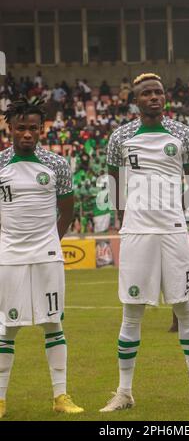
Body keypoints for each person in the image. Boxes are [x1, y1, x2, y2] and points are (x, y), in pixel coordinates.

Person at [100, 73, 189, 412]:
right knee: (132, 310)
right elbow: (114, 184)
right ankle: (124, 392)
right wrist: (129, 218)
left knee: (183, 306)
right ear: (135, 100)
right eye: (147, 93)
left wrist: (175, 212)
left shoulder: (184, 134)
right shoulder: (119, 137)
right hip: (137, 233)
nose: (154, 97)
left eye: (159, 92)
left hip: (172, 232)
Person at [0, 97, 83, 418]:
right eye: (21, 128)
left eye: (33, 128)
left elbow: (67, 209)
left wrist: (51, 241)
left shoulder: (57, 164)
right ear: (9, 128)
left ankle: (60, 396)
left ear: (42, 129)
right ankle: (2, 399)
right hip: (9, 256)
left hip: (47, 255)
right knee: (7, 326)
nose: (27, 134)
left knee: (53, 322)